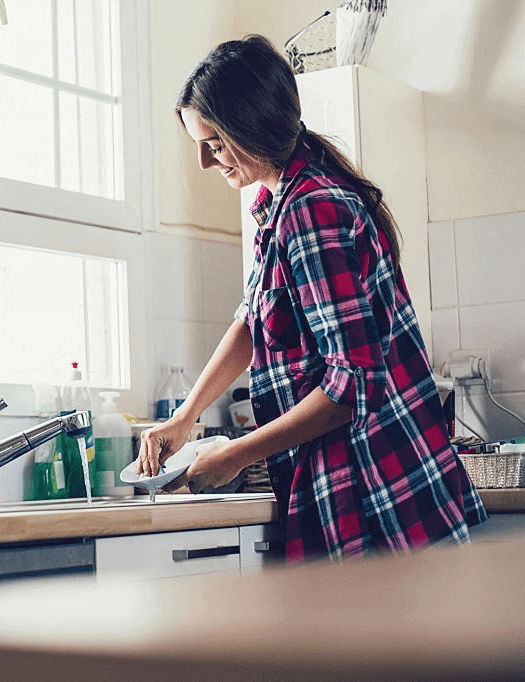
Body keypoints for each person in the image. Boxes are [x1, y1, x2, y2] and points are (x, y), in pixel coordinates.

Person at [138, 35, 487, 562]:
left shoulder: (312, 210)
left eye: (213, 143)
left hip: (380, 497)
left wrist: (234, 454)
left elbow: (350, 388)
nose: (207, 164)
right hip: (362, 489)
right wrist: (187, 414)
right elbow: (254, 320)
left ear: (249, 126)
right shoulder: (277, 206)